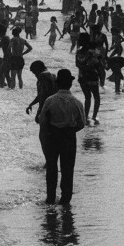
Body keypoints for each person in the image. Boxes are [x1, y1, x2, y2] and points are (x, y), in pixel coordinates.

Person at [40, 69, 86, 204]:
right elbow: (81, 124)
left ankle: (50, 198)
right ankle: (65, 199)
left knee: (51, 168)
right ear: (70, 85)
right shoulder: (77, 102)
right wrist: (70, 130)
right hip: (69, 136)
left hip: (52, 135)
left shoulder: (50, 101)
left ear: (57, 84)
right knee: (67, 170)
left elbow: (43, 121)